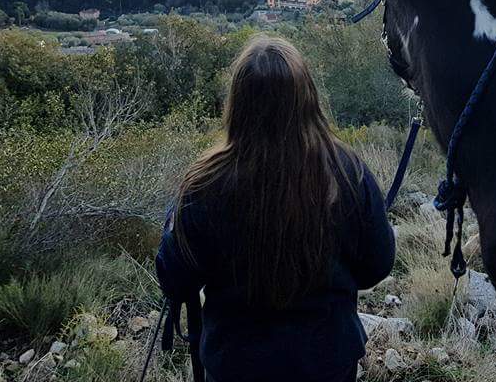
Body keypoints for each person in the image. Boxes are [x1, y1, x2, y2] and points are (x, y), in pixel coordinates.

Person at [156, 35, 396, 382]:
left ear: (238, 104)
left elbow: (175, 279)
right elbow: (377, 264)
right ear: (308, 98)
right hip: (326, 363)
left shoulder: (205, 183)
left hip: (237, 367)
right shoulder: (347, 172)